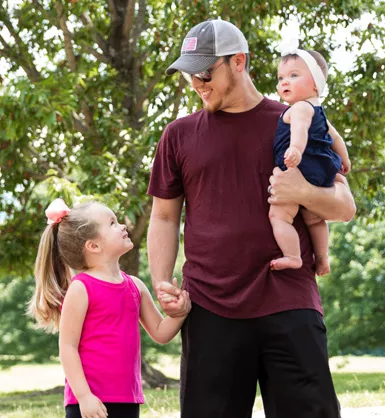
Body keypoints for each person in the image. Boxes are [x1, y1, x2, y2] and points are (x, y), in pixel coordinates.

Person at [147, 19, 355, 418]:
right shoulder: (178, 134)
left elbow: (345, 207)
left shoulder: (296, 119)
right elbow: (165, 218)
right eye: (191, 73)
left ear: (238, 61)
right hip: (209, 307)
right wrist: (162, 280)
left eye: (206, 72)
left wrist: (305, 193)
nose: (197, 83)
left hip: (289, 300)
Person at [28, 198, 190, 418]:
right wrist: (84, 397)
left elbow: (161, 332)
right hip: (88, 404)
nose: (122, 225)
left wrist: (178, 314)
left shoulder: (135, 286)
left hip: (127, 399)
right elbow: (67, 347)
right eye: (113, 223)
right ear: (93, 246)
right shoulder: (81, 288)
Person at [270, 46, 351, 275]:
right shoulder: (319, 112)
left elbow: (300, 129)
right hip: (322, 170)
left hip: (298, 168)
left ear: (315, 83)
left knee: (279, 216)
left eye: (294, 75)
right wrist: (344, 160)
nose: (285, 82)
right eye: (281, 77)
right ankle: (323, 258)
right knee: (314, 220)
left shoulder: (300, 108)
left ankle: (293, 256)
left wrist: (295, 149)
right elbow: (336, 138)